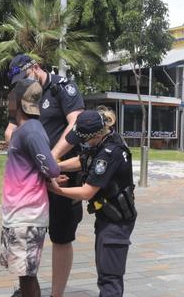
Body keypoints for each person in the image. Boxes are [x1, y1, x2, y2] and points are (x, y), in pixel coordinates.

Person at [6, 54, 84, 297]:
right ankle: (28, 287)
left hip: (61, 173)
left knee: (61, 235)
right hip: (35, 179)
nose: (23, 83)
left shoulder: (64, 88)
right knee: (28, 232)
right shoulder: (20, 94)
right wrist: (27, 153)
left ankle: (56, 294)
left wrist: (49, 157)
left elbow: (76, 124)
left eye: (25, 77)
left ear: (36, 68)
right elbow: (10, 130)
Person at [49, 107, 136, 297]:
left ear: (94, 136)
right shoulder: (107, 140)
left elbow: (87, 192)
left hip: (116, 222)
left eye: (83, 140)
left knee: (109, 279)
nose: (82, 144)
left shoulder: (108, 153)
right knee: (105, 273)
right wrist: (56, 166)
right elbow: (82, 160)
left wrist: (57, 190)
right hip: (108, 218)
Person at [0, 78, 60, 297]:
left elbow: (51, 168)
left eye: (11, 97)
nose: (8, 101)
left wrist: (48, 176)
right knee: (24, 275)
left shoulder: (32, 131)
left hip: (27, 214)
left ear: (18, 101)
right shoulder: (24, 130)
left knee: (27, 276)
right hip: (17, 213)